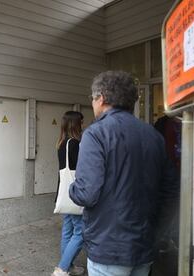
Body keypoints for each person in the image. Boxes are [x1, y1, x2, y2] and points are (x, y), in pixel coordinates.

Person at [69, 71, 179, 276]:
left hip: (108, 249)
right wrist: (155, 231)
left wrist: (72, 188)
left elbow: (86, 193)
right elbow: (172, 190)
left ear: (101, 98)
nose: (93, 104)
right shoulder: (153, 135)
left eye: (92, 99)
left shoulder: (95, 134)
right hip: (144, 247)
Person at [52, 111, 85, 276]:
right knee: (80, 232)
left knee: (68, 230)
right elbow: (81, 171)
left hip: (64, 194)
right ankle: (62, 268)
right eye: (82, 122)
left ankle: (69, 265)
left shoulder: (61, 143)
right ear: (76, 124)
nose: (83, 125)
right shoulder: (76, 144)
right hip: (75, 194)